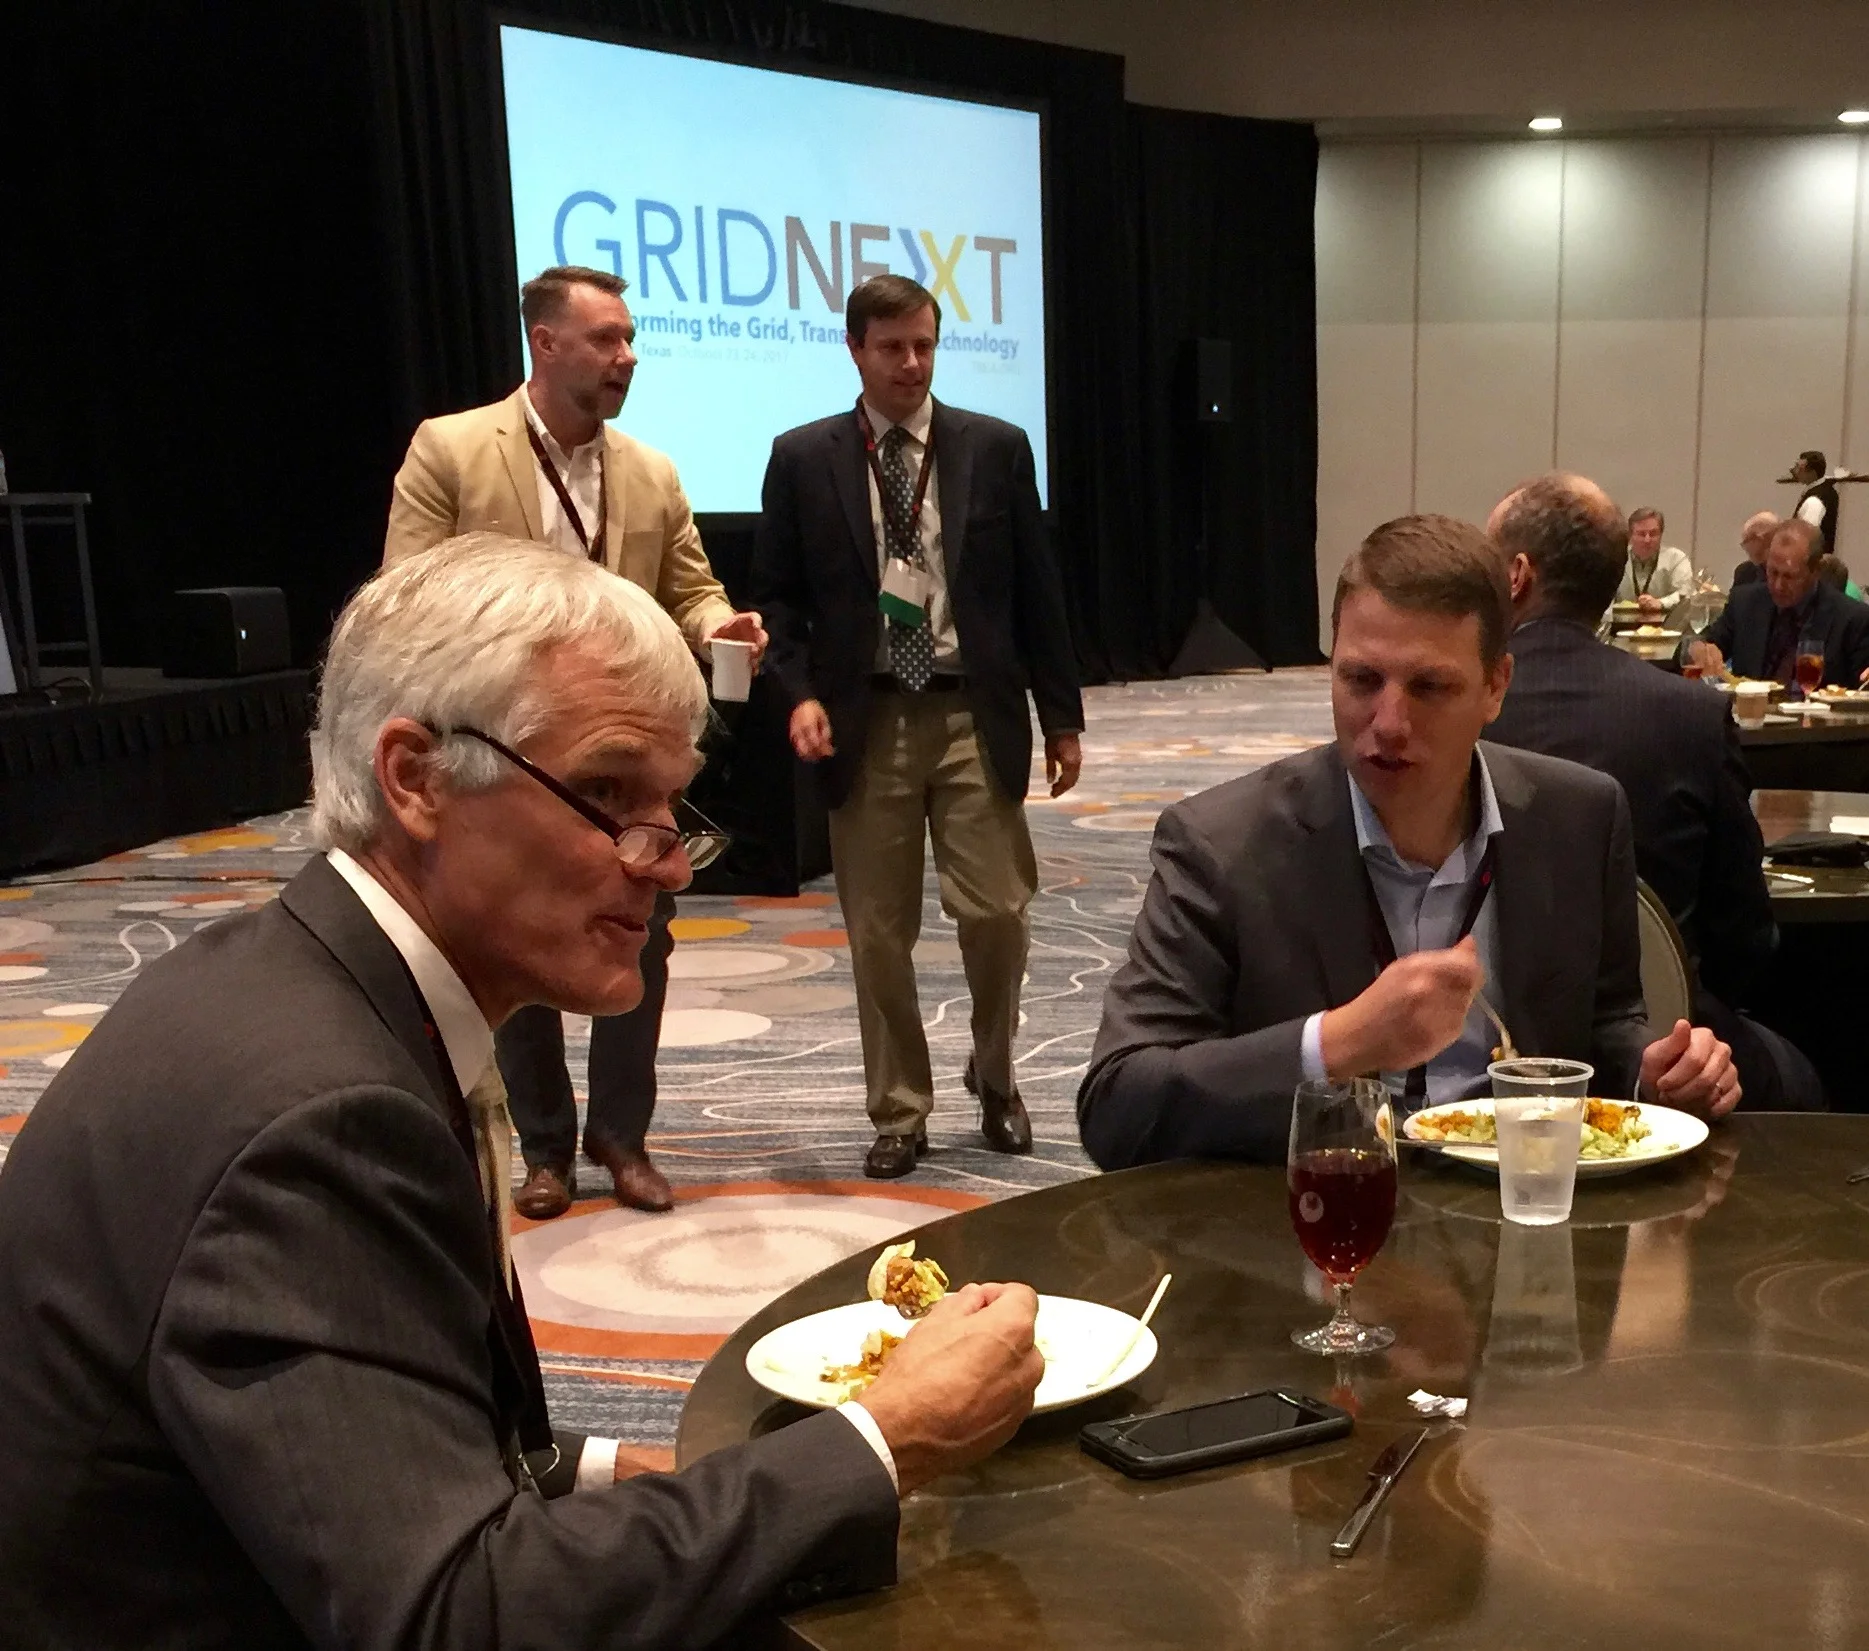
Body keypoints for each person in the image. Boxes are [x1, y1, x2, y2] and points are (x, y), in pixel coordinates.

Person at [0, 538, 1044, 1648]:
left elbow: (375, 1428)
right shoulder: (325, 1121)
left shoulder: (305, 983)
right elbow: (457, 1617)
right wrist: (889, 1436)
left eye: (673, 805)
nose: (668, 861)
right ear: (416, 778)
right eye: (606, 792)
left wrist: (608, 1475)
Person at [1076, 513, 1739, 1170]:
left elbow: (1606, 1023)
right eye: (1361, 680)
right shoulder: (1222, 844)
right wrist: (1337, 1043)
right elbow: (1117, 1106)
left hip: (1521, 1204)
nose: (1389, 723)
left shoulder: (1579, 817)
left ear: (1495, 687)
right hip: (1318, 1206)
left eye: (1429, 687)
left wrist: (1654, 1074)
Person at [385, 264, 769, 1218]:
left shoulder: (651, 471)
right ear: (545, 343)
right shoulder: (452, 450)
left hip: (625, 752)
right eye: (606, 338)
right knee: (516, 928)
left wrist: (719, 624)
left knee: (642, 929)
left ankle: (621, 1137)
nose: (626, 356)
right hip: (508, 747)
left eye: (629, 339)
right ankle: (546, 1146)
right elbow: (406, 594)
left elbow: (691, 588)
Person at [752, 275, 1085, 1178]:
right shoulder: (802, 456)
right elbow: (776, 598)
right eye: (892, 347)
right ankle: (899, 1107)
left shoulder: (994, 446)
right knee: (877, 930)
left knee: (998, 911)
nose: (910, 363)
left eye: (924, 346)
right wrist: (797, 693)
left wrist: (1061, 717)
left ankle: (996, 1072)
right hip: (865, 719)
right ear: (855, 349)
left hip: (973, 709)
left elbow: (1038, 591)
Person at [1484, 474, 1822, 1111]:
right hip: (1670, 1053)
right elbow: (1744, 930)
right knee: (1802, 1071)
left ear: (1516, 575)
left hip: (1483, 1047)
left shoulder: (1458, 716)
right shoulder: (1692, 715)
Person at [1689, 517, 1869, 687]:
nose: (1778, 585)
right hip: (1747, 709)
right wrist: (1697, 649)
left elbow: (1861, 694)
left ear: (1816, 571)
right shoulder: (1745, 603)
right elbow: (1694, 647)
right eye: (1772, 572)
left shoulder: (1851, 619)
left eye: (1789, 576)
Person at [1614, 506, 1696, 619]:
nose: (1647, 540)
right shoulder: (1616, 558)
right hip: (1620, 627)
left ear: (1661, 534)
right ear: (1630, 535)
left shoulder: (1676, 559)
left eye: (1653, 534)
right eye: (1641, 534)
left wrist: (1661, 603)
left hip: (1665, 627)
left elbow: (1687, 594)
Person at [1790, 449, 1841, 557]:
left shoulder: (1815, 500)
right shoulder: (1827, 490)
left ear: (1812, 472)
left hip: (1811, 561)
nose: (1795, 471)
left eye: (1800, 468)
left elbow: (1806, 536)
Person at [1731, 511, 1779, 591]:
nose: (1744, 548)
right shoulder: (1744, 572)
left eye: (1746, 541)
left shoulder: (1786, 572)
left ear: (1760, 539)